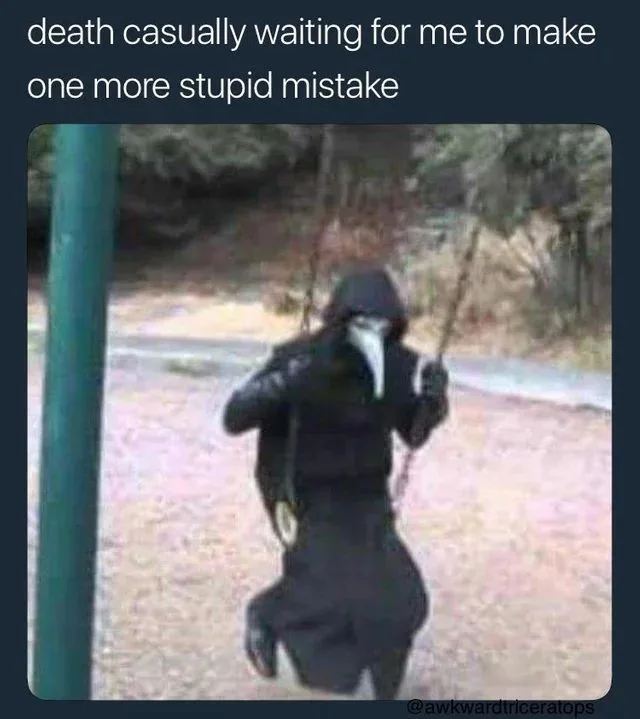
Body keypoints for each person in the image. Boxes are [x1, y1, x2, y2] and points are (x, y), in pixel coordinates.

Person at [222, 265, 449, 699]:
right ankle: (266, 616)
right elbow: (234, 417)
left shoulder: (395, 365)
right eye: (362, 324)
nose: (372, 334)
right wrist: (288, 381)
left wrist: (433, 404)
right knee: (327, 594)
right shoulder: (301, 358)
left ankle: (379, 679)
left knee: (402, 595)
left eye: (381, 326)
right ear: (340, 320)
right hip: (309, 496)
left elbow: (412, 432)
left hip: (367, 497)